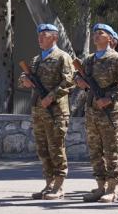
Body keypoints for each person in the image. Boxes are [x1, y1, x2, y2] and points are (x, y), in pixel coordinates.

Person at [18, 23, 75, 199]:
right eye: (39, 35)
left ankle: (59, 185)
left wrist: (51, 97)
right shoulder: (36, 59)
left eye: (44, 35)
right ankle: (49, 183)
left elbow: (69, 82)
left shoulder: (62, 57)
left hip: (55, 111)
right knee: (42, 149)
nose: (40, 38)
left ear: (55, 37)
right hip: (38, 110)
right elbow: (25, 77)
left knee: (56, 147)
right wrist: (24, 81)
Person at [75, 23, 118, 203]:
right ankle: (100, 186)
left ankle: (113, 187)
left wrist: (110, 98)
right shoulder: (89, 60)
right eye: (94, 33)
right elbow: (77, 76)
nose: (96, 36)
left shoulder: (117, 59)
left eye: (100, 33)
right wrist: (79, 82)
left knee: (112, 149)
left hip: (110, 112)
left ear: (110, 38)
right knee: (95, 150)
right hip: (92, 111)